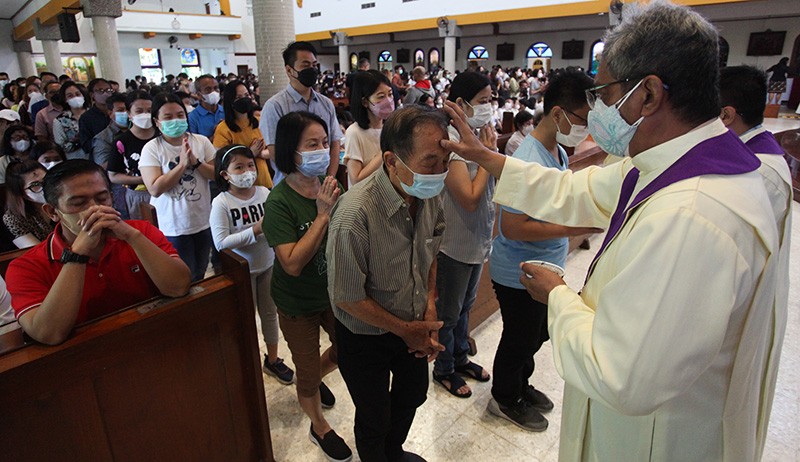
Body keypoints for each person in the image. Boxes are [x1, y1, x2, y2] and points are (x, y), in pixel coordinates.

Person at [440, 1, 783, 460]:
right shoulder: (671, 163)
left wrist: (558, 296)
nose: (597, 108)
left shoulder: (692, 215)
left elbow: (621, 375)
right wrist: (492, 159)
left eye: (604, 92)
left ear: (648, 94)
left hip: (657, 439)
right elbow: (574, 189)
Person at [327, 105, 448, 462]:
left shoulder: (429, 196)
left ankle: (392, 453)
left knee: (413, 394)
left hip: (411, 321)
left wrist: (429, 307)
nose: (440, 173)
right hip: (365, 333)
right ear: (392, 161)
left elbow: (429, 253)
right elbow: (347, 296)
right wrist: (406, 330)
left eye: (445, 162)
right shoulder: (354, 215)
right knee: (374, 416)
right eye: (430, 163)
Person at [488, 68, 601, 431]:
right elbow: (511, 226)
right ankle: (504, 398)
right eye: (583, 119)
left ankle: (520, 384)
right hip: (519, 270)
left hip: (545, 263)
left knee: (538, 333)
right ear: (558, 114)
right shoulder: (527, 159)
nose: (586, 127)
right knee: (520, 338)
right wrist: (575, 228)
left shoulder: (556, 151)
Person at [5, 159, 191, 345]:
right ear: (53, 212)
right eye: (78, 203)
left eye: (102, 199)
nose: (94, 209)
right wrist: (78, 255)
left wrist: (132, 237)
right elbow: (48, 334)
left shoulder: (141, 231)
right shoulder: (26, 267)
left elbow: (179, 287)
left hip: (155, 341)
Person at [262, 111, 351, 462]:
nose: (323, 151)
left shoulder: (330, 185)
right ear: (291, 151)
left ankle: (312, 376)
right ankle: (319, 426)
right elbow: (292, 264)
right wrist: (323, 214)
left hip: (333, 293)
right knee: (308, 374)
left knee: (348, 350)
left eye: (325, 143)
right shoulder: (278, 202)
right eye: (312, 145)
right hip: (297, 301)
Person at [431, 71, 496, 400]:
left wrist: (486, 152)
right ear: (460, 103)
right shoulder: (453, 143)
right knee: (448, 313)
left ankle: (459, 358)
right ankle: (444, 369)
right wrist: (486, 155)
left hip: (477, 241)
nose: (489, 107)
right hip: (454, 244)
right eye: (482, 101)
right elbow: (468, 198)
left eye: (490, 100)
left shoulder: (476, 138)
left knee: (465, 306)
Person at [210, 144, 294, 385]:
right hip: (241, 272)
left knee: (269, 314)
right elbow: (221, 242)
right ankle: (248, 362)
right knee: (245, 320)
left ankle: (273, 359)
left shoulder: (265, 193)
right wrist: (255, 230)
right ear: (225, 174)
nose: (247, 171)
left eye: (250, 165)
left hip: (267, 264)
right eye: (239, 167)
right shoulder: (222, 202)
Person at [139, 93, 216, 282]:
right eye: (168, 117)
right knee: (183, 275)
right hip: (173, 226)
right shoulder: (152, 148)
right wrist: (181, 166)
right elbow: (155, 188)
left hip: (203, 220)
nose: (176, 120)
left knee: (200, 271)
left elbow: (216, 175)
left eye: (180, 115)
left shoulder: (201, 141)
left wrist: (196, 163)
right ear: (157, 122)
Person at [260, 41, 343, 185]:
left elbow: (334, 143)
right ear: (289, 70)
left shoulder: (326, 103)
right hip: (290, 185)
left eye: (314, 65)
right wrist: (301, 185)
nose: (312, 70)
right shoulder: (275, 106)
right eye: (305, 65)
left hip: (322, 184)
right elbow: (276, 152)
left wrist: (329, 179)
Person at [212, 80, 273, 188]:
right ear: (230, 101)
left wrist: (262, 154)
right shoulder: (223, 129)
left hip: (263, 181)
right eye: (238, 97)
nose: (244, 99)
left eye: (246, 95)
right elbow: (222, 160)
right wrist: (250, 153)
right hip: (239, 185)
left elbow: (273, 149)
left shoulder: (259, 121)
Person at [108, 91, 156, 221]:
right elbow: (113, 176)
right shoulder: (122, 142)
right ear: (129, 113)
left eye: (149, 111)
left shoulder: (162, 136)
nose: (145, 115)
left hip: (166, 191)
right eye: (139, 111)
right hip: (138, 196)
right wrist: (142, 179)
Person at [344, 70, 394, 186]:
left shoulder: (391, 128)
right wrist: (385, 150)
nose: (388, 101)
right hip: (366, 195)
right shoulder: (354, 132)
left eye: (390, 94)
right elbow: (356, 179)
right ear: (365, 102)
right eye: (381, 97)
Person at [2, 159, 53, 248]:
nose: (45, 187)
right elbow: (36, 251)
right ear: (20, 192)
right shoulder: (13, 218)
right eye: (35, 185)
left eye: (46, 180)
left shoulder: (62, 201)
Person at [53, 82, 89, 160]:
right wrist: (80, 140)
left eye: (78, 94)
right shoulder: (60, 121)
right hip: (76, 160)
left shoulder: (94, 114)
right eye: (70, 96)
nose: (75, 97)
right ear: (65, 99)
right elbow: (61, 147)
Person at [92, 93, 129, 169]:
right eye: (120, 110)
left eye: (128, 110)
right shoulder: (102, 138)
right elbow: (102, 166)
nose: (126, 113)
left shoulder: (139, 131)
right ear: (110, 113)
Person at [78, 78, 112, 159]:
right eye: (100, 91)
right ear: (92, 94)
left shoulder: (117, 113)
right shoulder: (86, 118)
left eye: (108, 90)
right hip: (99, 157)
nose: (105, 94)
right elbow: (85, 145)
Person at [188, 74, 224, 141]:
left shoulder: (226, 111)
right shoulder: (192, 118)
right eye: (208, 89)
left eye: (216, 88)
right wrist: (217, 133)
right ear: (199, 95)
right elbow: (194, 144)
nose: (213, 92)